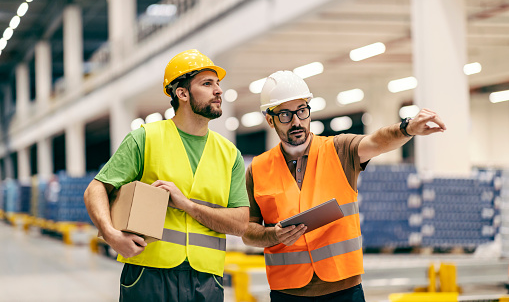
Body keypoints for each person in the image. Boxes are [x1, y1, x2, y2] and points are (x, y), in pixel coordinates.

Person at [241, 70, 446, 301]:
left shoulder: (339, 150)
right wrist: (274, 235)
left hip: (344, 290)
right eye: (286, 115)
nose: (297, 121)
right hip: (287, 292)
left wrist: (406, 128)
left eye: (302, 111)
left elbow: (377, 141)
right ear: (270, 119)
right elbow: (248, 231)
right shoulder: (257, 169)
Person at [84, 49, 250, 302]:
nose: (218, 91)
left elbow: (240, 224)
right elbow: (95, 189)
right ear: (182, 93)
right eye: (207, 84)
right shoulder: (145, 138)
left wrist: (187, 205)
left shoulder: (229, 154)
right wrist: (111, 234)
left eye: (218, 84)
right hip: (149, 274)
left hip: (207, 279)